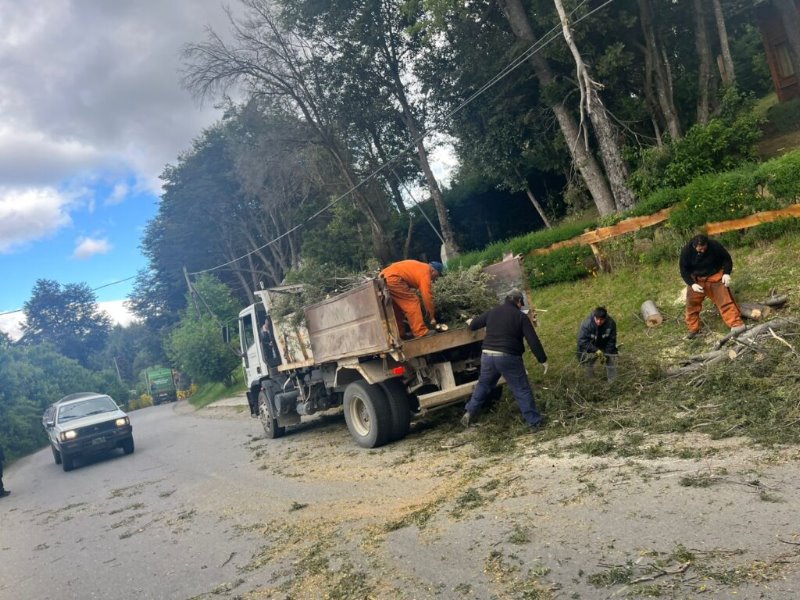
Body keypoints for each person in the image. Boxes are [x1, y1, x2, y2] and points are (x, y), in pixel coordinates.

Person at [461, 289, 548, 430]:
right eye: (521, 303)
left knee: (483, 385)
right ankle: (535, 422)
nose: (521, 306)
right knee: (521, 389)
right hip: (508, 356)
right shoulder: (520, 317)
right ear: (518, 301)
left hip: (487, 355)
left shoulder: (492, 312)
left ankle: (470, 411)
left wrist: (470, 321)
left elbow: (473, 325)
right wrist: (542, 359)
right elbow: (533, 340)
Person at [679, 234, 745, 338]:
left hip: (714, 277)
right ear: (694, 246)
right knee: (691, 306)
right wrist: (692, 284)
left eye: (704, 248)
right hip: (696, 280)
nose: (703, 251)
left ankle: (737, 325)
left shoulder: (714, 245)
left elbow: (727, 259)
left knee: (725, 302)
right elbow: (683, 271)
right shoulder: (686, 251)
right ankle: (693, 329)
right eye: (700, 250)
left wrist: (726, 273)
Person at [379, 260, 443, 339]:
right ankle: (420, 332)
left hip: (383, 277)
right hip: (393, 278)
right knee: (412, 302)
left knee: (396, 309)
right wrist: (431, 316)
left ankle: (400, 334)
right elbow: (427, 296)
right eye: (437, 275)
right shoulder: (426, 272)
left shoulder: (420, 267)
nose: (436, 279)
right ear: (433, 270)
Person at [576, 306, 618, 381]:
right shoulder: (587, 324)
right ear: (594, 317)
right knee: (588, 362)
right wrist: (596, 350)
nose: (599, 322)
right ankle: (592, 381)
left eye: (601, 320)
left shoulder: (611, 324)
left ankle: (612, 381)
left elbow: (612, 341)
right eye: (597, 319)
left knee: (610, 359)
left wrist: (606, 354)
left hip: (604, 345)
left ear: (605, 318)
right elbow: (582, 341)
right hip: (590, 347)